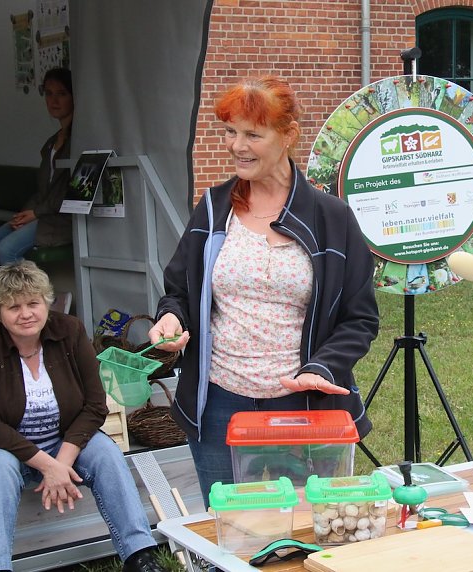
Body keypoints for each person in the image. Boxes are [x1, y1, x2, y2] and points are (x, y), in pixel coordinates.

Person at [148, 76, 379, 503]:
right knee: (233, 526)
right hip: (218, 402)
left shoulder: (332, 218)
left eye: (253, 134)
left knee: (310, 527)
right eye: (231, 132)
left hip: (302, 403)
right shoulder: (215, 208)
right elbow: (179, 288)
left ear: (288, 135)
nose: (237, 146)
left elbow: (359, 318)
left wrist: (322, 368)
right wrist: (171, 317)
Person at [0, 261, 166, 572]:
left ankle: (140, 555)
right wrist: (50, 467)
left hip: (61, 442)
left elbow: (95, 404)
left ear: (46, 302)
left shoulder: (69, 331)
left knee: (106, 454)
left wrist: (63, 462)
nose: (25, 313)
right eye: (13, 306)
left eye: (33, 302)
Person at [0, 68, 74, 265]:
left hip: (63, 221)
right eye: (48, 93)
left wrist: (35, 213)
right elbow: (42, 191)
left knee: (6, 250)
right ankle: (9, 295)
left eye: (62, 94)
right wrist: (24, 215)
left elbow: (70, 193)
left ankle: (33, 295)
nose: (53, 100)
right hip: (42, 215)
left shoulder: (80, 140)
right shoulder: (51, 143)